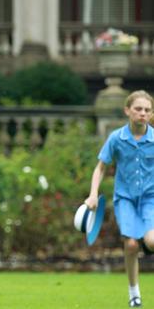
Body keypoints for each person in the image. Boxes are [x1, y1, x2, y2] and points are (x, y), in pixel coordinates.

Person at [85, 90, 154, 308]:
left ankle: (146, 242)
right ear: (128, 111)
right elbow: (100, 168)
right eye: (138, 109)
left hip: (150, 198)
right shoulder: (117, 138)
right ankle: (134, 293)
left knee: (152, 241)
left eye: (147, 110)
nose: (142, 114)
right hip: (124, 199)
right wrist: (93, 194)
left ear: (151, 114)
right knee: (131, 245)